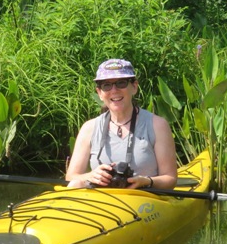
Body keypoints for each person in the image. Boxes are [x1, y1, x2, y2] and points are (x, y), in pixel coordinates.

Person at [65, 59, 178, 189]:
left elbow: (170, 179)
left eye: (121, 83)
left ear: (134, 87)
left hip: (144, 201)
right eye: (106, 85)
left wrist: (146, 181)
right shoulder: (89, 128)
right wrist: (90, 176)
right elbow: (71, 177)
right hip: (101, 201)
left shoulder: (158, 125)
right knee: (75, 185)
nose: (114, 90)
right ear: (99, 93)